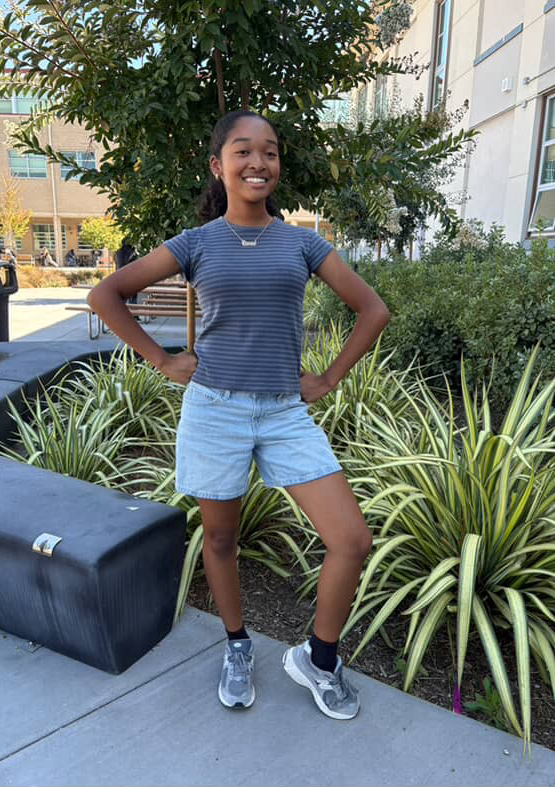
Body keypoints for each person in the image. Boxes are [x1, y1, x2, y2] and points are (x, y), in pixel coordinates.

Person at [88, 110, 390, 720]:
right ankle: (237, 645)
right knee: (220, 538)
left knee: (351, 540)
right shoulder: (197, 243)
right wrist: (162, 359)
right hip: (215, 410)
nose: (259, 162)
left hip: (283, 411)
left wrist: (329, 377)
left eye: (270, 152)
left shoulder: (302, 241)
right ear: (217, 164)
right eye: (244, 151)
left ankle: (319, 659)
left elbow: (373, 310)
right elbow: (107, 295)